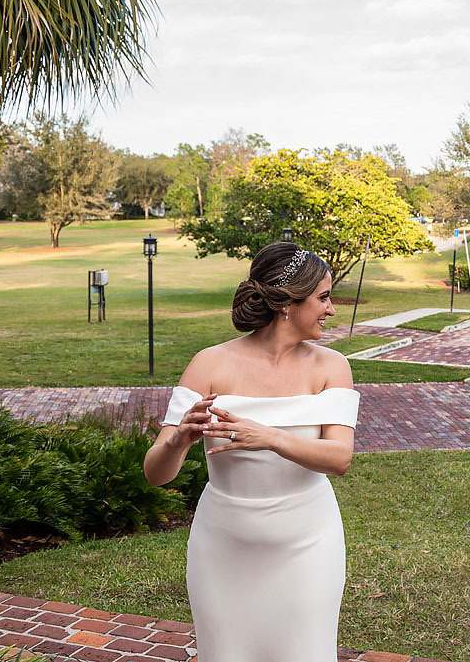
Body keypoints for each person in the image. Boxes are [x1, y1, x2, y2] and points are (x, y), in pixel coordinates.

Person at [143, 242, 359, 662]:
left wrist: (271, 437)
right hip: (222, 544)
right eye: (323, 298)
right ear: (288, 302)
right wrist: (178, 439)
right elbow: (156, 474)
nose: (331, 310)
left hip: (308, 543)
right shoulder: (208, 364)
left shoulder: (332, 367)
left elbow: (339, 458)